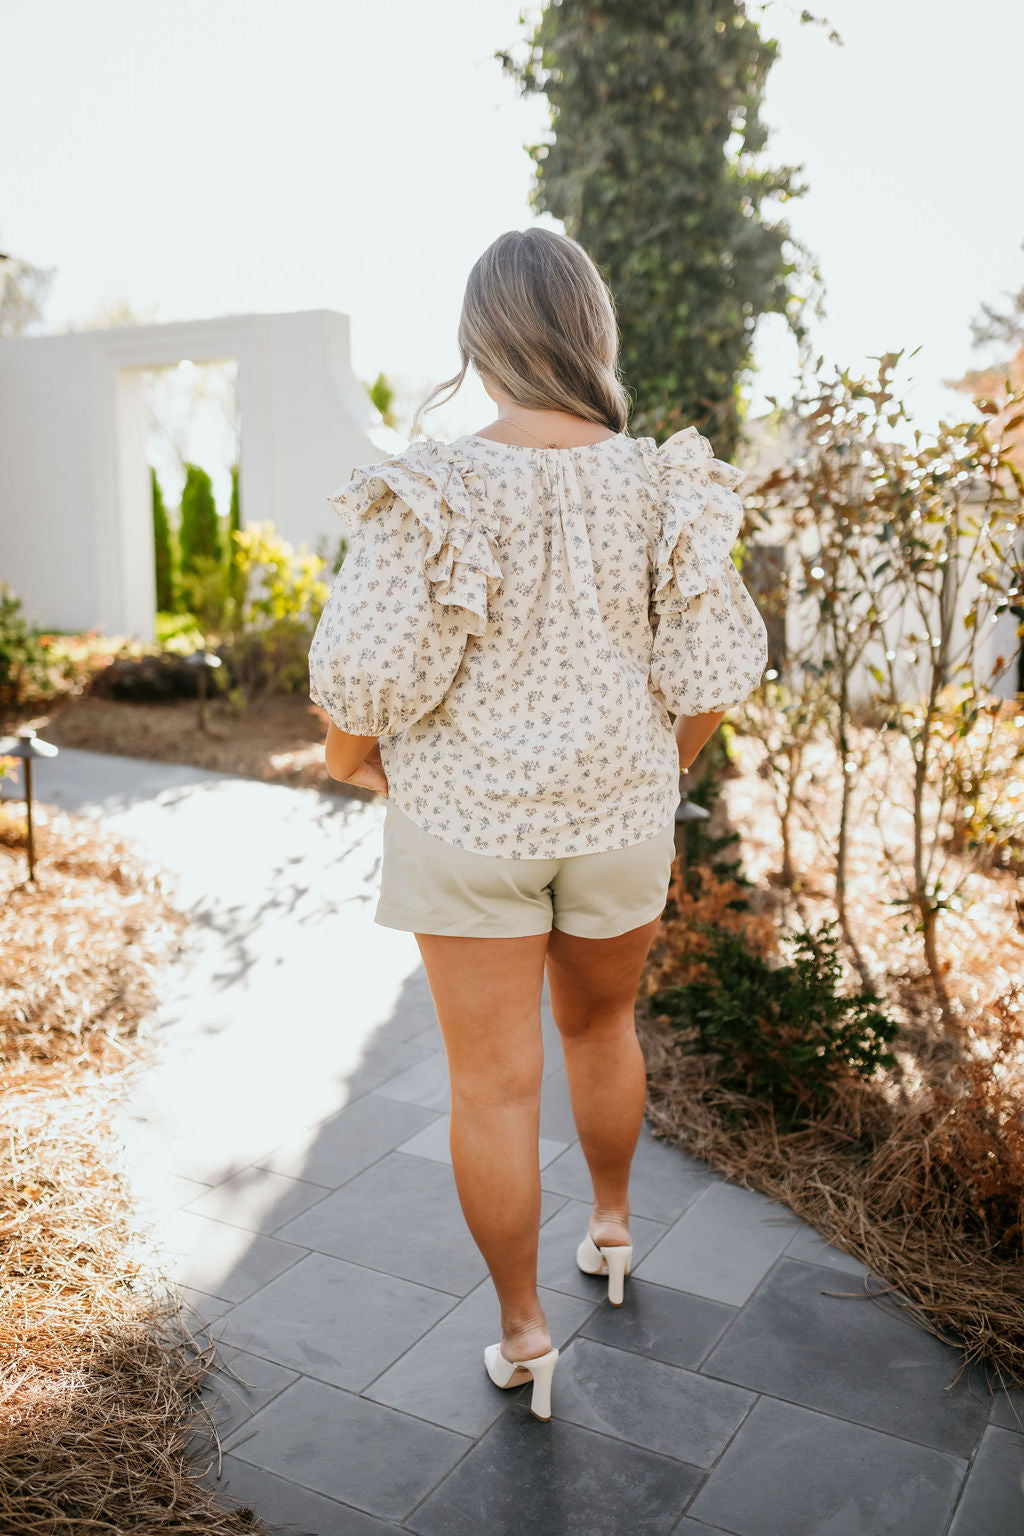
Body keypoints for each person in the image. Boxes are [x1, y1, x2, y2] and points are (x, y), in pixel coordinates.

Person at [307, 227, 768, 1422]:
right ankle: (612, 1233)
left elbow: (359, 676)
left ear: (478, 343)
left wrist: (354, 766)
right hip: (618, 825)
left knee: (494, 1090)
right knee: (604, 1027)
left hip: (466, 828)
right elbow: (716, 668)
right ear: (592, 334)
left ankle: (523, 1337)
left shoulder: (442, 484)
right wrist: (648, 779)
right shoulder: (663, 482)